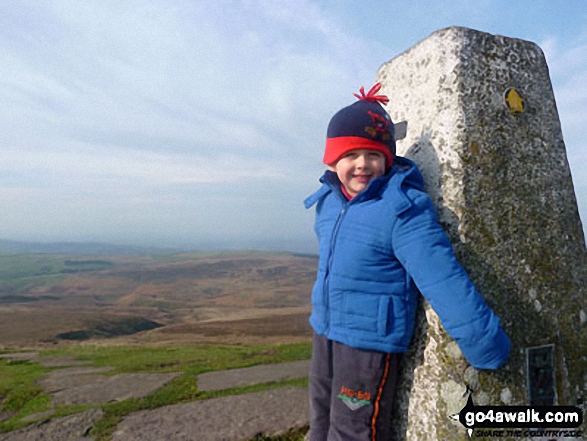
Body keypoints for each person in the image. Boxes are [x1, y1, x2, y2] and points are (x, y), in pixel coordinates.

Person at [303, 83, 510, 441]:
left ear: (388, 158)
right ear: (332, 160)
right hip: (325, 330)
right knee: (319, 420)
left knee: (354, 431)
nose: (362, 164)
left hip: (368, 344)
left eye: (373, 154)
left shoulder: (402, 209)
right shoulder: (328, 202)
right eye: (351, 154)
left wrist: (483, 342)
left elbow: (442, 277)